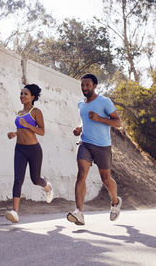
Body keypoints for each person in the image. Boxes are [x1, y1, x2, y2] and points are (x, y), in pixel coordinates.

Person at [67, 73, 122, 226]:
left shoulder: (105, 102)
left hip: (103, 146)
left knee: (105, 178)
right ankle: (79, 212)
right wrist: (79, 129)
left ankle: (115, 202)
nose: (84, 88)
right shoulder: (81, 104)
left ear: (95, 86)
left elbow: (117, 122)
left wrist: (99, 119)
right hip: (85, 143)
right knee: (81, 174)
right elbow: (85, 121)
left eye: (87, 85)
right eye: (82, 85)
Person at [5, 84, 53, 223]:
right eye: (21, 93)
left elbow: (42, 131)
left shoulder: (36, 111)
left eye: (26, 94)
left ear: (32, 97)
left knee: (35, 179)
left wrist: (27, 125)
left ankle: (47, 187)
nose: (22, 96)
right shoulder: (19, 113)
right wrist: (14, 134)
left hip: (34, 149)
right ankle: (14, 212)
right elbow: (21, 130)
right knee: (18, 179)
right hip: (19, 149)